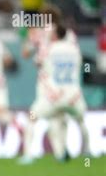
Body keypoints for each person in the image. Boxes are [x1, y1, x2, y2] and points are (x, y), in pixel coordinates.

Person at [21, 21, 90, 164]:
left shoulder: (49, 48)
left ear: (55, 35)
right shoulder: (75, 50)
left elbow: (37, 62)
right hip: (73, 96)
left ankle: (28, 155)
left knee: (32, 118)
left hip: (54, 96)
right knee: (80, 121)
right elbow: (83, 67)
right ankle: (86, 152)